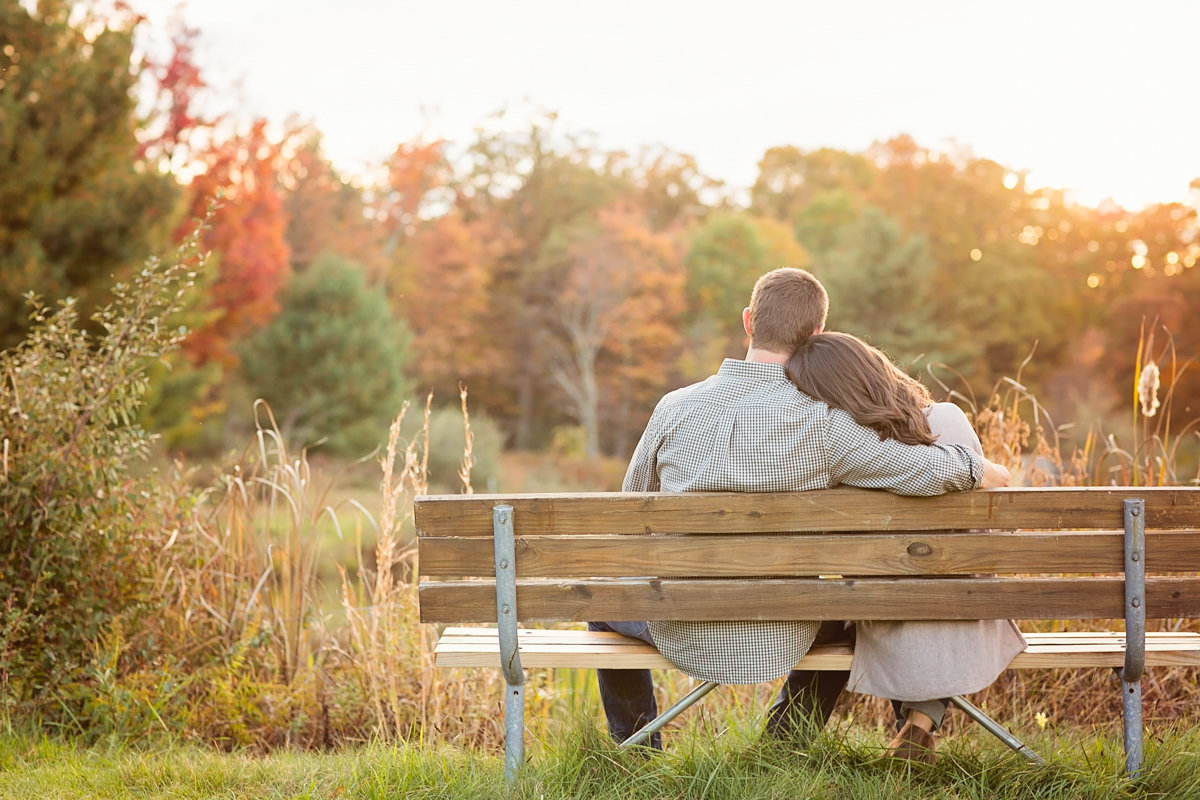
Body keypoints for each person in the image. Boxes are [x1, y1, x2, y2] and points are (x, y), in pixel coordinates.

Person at [590, 267, 1011, 752]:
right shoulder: (827, 425)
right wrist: (973, 466)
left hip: (679, 626)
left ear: (749, 321)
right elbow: (920, 470)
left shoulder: (674, 407)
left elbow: (626, 514)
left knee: (605, 604)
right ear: (815, 335)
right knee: (839, 612)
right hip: (788, 630)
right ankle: (783, 747)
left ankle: (637, 749)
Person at [785, 330, 1026, 763]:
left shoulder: (839, 448)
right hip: (964, 605)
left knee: (887, 595)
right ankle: (918, 728)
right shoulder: (947, 419)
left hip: (882, 611)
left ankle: (784, 744)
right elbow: (989, 507)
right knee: (942, 584)